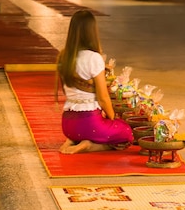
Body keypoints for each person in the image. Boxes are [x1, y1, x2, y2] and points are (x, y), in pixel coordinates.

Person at [56, 10, 133, 154]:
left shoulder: (63, 56)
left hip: (67, 125)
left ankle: (72, 140)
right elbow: (103, 98)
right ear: (92, 32)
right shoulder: (94, 58)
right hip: (89, 123)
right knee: (126, 133)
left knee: (87, 128)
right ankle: (90, 145)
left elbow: (66, 91)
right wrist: (113, 118)